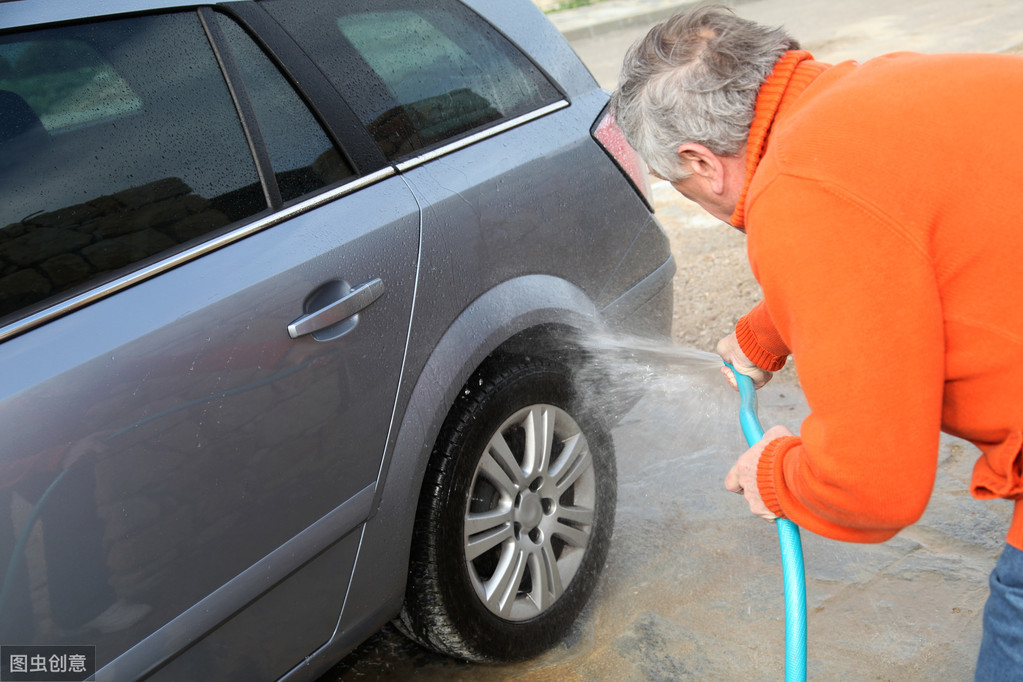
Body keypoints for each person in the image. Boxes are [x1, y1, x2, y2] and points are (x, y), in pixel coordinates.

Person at [610, 4, 1023, 678]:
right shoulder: (877, 92)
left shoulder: (800, 192)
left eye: (675, 184)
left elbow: (872, 487)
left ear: (698, 161)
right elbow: (891, 234)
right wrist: (761, 334)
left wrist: (777, 475)